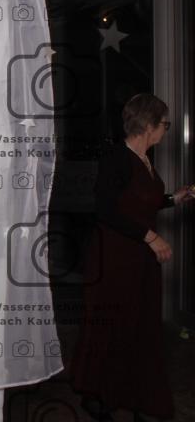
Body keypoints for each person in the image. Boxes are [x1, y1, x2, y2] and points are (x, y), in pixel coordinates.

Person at [69, 93, 194, 422]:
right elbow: (106, 210)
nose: (166, 129)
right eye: (165, 124)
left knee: (138, 326)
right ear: (148, 125)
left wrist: (174, 198)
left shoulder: (144, 160)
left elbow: (140, 203)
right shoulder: (116, 158)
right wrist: (151, 236)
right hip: (114, 257)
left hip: (139, 258)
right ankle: (99, 395)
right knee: (113, 326)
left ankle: (131, 393)